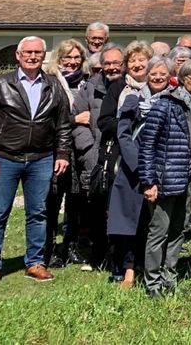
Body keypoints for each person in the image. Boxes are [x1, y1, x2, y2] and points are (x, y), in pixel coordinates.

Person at [0, 36, 73, 287]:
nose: (32, 56)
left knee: (38, 213)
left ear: (43, 56)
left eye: (37, 52)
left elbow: (63, 125)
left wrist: (62, 154)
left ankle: (35, 263)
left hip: (41, 159)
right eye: (27, 52)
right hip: (5, 158)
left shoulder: (53, 85)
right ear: (18, 55)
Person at [137, 58, 191, 297]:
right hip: (164, 179)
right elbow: (147, 145)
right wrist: (148, 181)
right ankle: (152, 283)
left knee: (178, 231)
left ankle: (170, 278)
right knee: (158, 232)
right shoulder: (165, 104)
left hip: (186, 179)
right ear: (183, 78)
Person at [107, 54, 169, 289]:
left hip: (162, 170)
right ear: (146, 75)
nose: (157, 77)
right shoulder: (132, 100)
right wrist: (142, 168)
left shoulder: (172, 102)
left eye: (163, 73)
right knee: (130, 224)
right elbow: (123, 135)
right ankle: (129, 270)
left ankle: (153, 268)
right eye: (153, 73)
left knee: (155, 223)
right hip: (133, 171)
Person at [71, 43, 124, 271]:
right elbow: (77, 122)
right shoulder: (90, 87)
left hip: (123, 155)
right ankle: (97, 254)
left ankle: (118, 255)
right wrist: (90, 152)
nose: (112, 68)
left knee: (120, 206)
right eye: (108, 63)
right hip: (96, 153)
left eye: (116, 63)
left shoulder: (131, 87)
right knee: (96, 206)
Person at [43, 38, 87, 268]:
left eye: (76, 57)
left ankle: (70, 246)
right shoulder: (49, 82)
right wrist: (74, 119)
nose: (71, 62)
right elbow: (45, 119)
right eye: (67, 57)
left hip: (80, 149)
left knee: (76, 201)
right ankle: (49, 250)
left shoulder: (86, 82)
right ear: (58, 59)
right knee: (53, 199)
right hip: (56, 150)